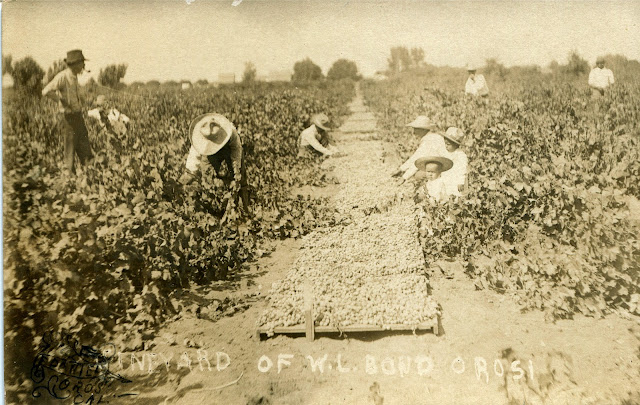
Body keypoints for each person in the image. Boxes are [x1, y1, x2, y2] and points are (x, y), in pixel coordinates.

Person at [178, 113, 250, 211]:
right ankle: (213, 207)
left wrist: (237, 172)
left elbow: (236, 151)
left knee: (239, 179)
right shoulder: (199, 138)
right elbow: (193, 160)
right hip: (209, 155)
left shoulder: (231, 132)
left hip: (228, 148)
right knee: (207, 179)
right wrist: (186, 178)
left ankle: (243, 207)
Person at [42, 49, 93, 173]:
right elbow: (46, 91)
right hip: (68, 118)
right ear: (75, 64)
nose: (83, 66)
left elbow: (79, 97)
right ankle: (68, 181)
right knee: (69, 149)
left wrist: (91, 102)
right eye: (81, 63)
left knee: (84, 145)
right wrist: (60, 101)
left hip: (78, 116)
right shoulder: (62, 76)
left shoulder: (74, 77)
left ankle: (90, 173)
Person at [391, 115, 447, 182]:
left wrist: (404, 177)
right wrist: (401, 169)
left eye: (416, 129)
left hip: (443, 170)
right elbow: (415, 156)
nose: (414, 132)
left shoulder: (428, 140)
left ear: (423, 129)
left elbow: (418, 161)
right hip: (440, 166)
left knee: (419, 175)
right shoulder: (431, 137)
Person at [440, 127, 469, 193]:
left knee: (455, 193)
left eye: (448, 144)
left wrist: (460, 181)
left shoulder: (460, 155)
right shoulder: (445, 153)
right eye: (445, 144)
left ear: (456, 145)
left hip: (455, 179)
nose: (446, 146)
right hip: (446, 178)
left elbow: (463, 169)